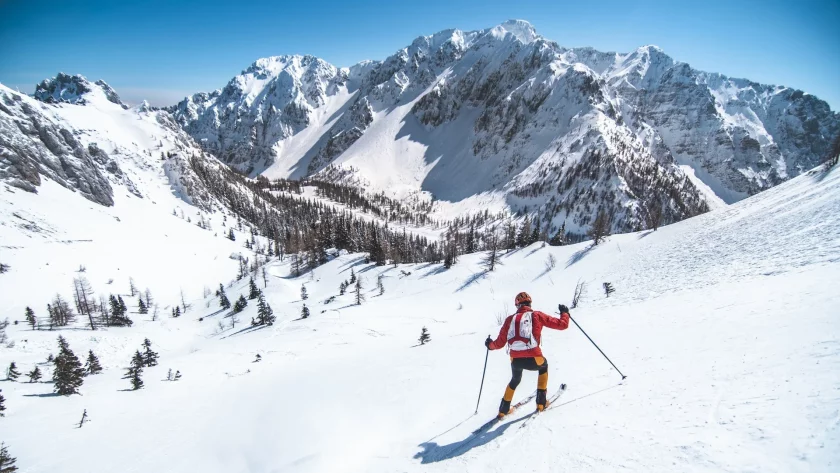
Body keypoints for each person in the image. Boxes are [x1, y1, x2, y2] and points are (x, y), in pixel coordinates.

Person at [485, 292, 570, 418]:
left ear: (517, 305)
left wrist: (490, 345)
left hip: (515, 360)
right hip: (534, 358)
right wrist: (565, 313)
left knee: (515, 380)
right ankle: (541, 403)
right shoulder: (536, 315)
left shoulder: (510, 320)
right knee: (543, 367)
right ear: (530, 303)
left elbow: (499, 343)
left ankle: (503, 410)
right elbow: (562, 325)